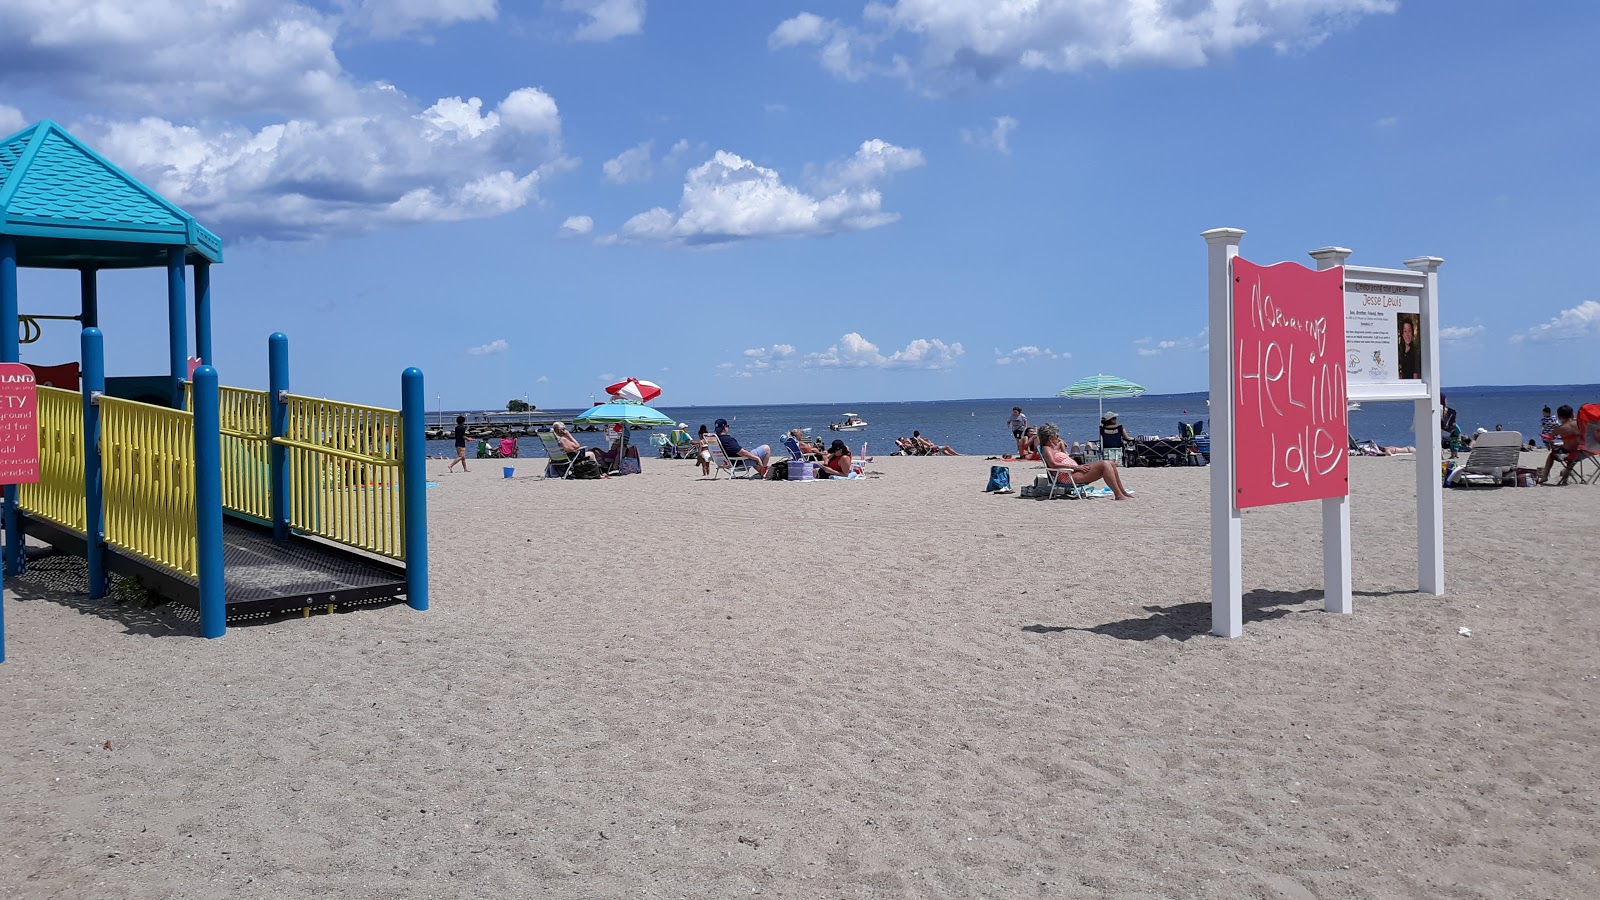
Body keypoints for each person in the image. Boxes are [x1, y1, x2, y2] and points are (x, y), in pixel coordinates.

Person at [1038, 423, 1134, 500]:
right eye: (1057, 436)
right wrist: (1076, 467)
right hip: (1068, 476)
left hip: (1073, 472)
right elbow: (1053, 464)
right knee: (1104, 464)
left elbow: (1060, 445)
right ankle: (1118, 495)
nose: (1058, 438)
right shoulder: (1047, 449)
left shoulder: (1053, 447)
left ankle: (1122, 492)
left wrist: (1060, 441)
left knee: (1110, 463)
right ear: (1050, 438)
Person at [1538, 405, 1581, 485]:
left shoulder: (1559, 428)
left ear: (1559, 417)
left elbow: (1550, 438)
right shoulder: (1579, 424)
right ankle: (1565, 478)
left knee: (1552, 455)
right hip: (1582, 452)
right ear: (1572, 414)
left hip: (1569, 453)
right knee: (1571, 458)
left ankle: (1545, 476)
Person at [1440, 394, 1461, 459]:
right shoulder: (1442, 397)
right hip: (1442, 418)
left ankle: (1445, 455)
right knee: (1454, 446)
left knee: (1453, 446)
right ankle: (1450, 455)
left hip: (1437, 418)